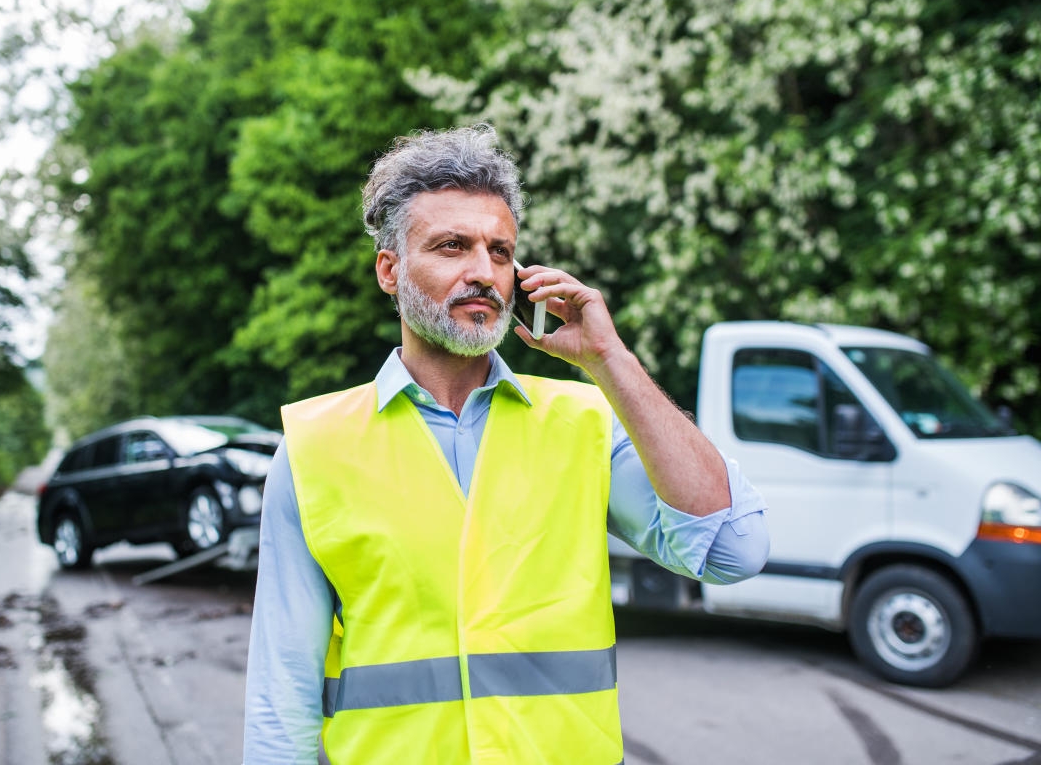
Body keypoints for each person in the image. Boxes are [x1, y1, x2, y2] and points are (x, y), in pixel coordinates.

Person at [242, 125, 768, 765]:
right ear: (390, 270)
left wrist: (610, 360)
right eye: (451, 247)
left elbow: (734, 550)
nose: (482, 272)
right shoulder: (313, 448)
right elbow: (281, 695)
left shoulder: (585, 421)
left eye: (499, 252)